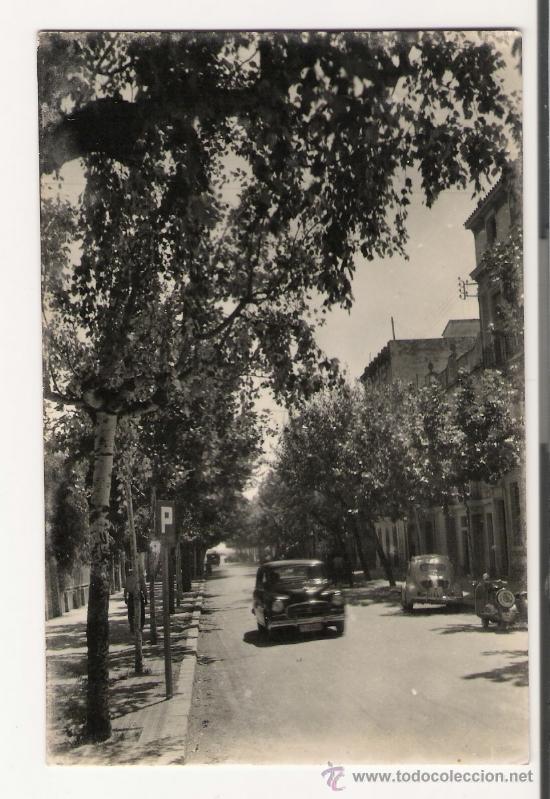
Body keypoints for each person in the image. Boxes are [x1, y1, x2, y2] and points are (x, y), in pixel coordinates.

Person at [124, 566, 147, 633]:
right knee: (141, 613)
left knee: (131, 613)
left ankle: (132, 627)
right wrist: (146, 599)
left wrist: (125, 598)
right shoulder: (140, 578)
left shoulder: (128, 578)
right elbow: (144, 589)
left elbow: (125, 589)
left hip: (131, 597)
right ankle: (140, 627)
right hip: (139, 596)